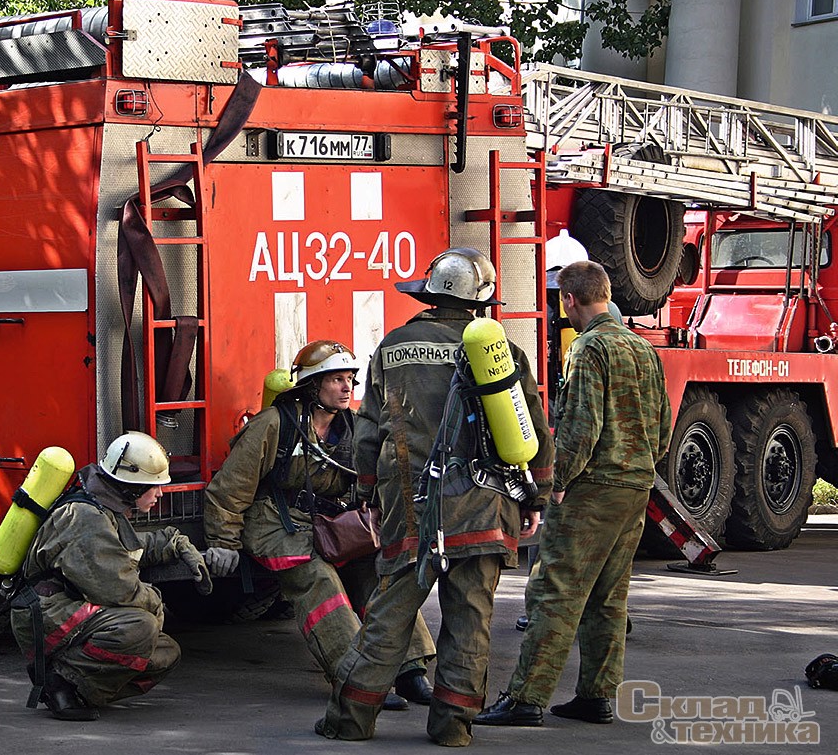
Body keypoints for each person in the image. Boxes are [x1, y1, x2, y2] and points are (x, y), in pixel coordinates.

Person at [315, 247, 554, 747]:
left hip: (411, 509)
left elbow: (367, 435)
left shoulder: (394, 348)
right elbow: (532, 430)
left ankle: (349, 722)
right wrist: (536, 499)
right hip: (486, 508)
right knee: (471, 619)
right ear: (480, 302)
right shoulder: (502, 354)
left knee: (388, 616)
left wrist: (368, 496)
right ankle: (453, 728)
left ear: (429, 295)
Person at [474, 260, 671, 728]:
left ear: (568, 300)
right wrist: (640, 464)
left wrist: (554, 485)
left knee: (555, 591)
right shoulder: (642, 348)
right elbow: (663, 426)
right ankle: (598, 695)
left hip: (592, 491)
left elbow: (582, 425)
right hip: (635, 486)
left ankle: (526, 698)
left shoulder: (588, 349)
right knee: (609, 595)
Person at [203, 339, 436, 710]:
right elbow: (230, 488)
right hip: (275, 524)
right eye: (336, 380)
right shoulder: (273, 424)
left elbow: (375, 480)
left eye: (350, 380)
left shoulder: (355, 427)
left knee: (379, 571)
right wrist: (223, 541)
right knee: (317, 578)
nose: (347, 388)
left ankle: (410, 671)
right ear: (313, 386)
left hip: (331, 521)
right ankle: (356, 678)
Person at [10, 431, 211, 721]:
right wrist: (155, 602)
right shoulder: (87, 518)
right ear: (130, 487)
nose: (159, 494)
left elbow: (127, 550)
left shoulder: (104, 507)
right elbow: (118, 590)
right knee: (139, 627)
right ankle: (60, 683)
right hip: (47, 614)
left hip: (65, 606)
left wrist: (174, 541)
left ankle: (82, 690)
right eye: (152, 487)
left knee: (165, 653)